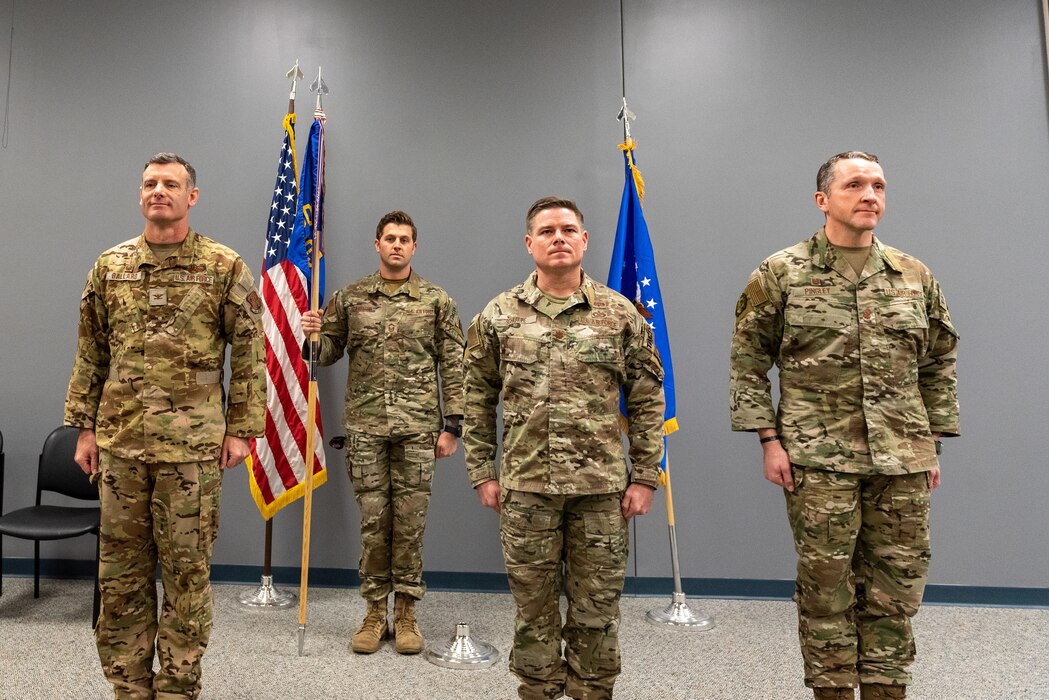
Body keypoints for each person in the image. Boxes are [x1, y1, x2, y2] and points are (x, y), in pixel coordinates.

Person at [730, 151, 960, 700]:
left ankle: (886, 691)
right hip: (818, 458)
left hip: (902, 459)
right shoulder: (781, 273)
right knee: (826, 589)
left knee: (896, 589)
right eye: (855, 184)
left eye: (878, 185)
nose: (869, 195)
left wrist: (931, 443)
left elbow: (939, 360)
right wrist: (769, 440)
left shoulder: (912, 275)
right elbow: (747, 360)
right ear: (822, 200)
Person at [64, 153, 265, 699]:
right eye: (150, 183)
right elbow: (91, 352)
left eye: (171, 184)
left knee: (186, 576)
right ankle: (129, 686)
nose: (159, 191)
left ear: (191, 196)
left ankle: (178, 686)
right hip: (121, 446)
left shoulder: (223, 266)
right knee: (121, 576)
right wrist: (84, 429)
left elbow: (250, 353)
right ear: (140, 194)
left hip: (192, 451)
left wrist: (242, 429)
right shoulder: (110, 266)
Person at [462, 196, 665, 700]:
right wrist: (482, 472)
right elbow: (476, 398)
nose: (559, 238)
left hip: (601, 492)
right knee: (533, 610)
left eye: (569, 229)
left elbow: (646, 399)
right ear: (529, 243)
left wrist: (645, 476)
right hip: (526, 489)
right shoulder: (498, 315)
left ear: (584, 240)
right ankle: (536, 692)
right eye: (547, 231)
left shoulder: (619, 314)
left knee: (596, 611)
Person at [300, 210, 464, 655]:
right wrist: (312, 335)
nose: (396, 245)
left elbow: (454, 363)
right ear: (377, 245)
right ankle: (374, 612)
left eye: (404, 239)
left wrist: (453, 426)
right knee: (375, 524)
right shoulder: (350, 298)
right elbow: (327, 354)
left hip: (417, 430)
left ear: (414, 247)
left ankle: (406, 612)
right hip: (366, 428)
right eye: (389, 238)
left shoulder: (435, 300)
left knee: (409, 524)